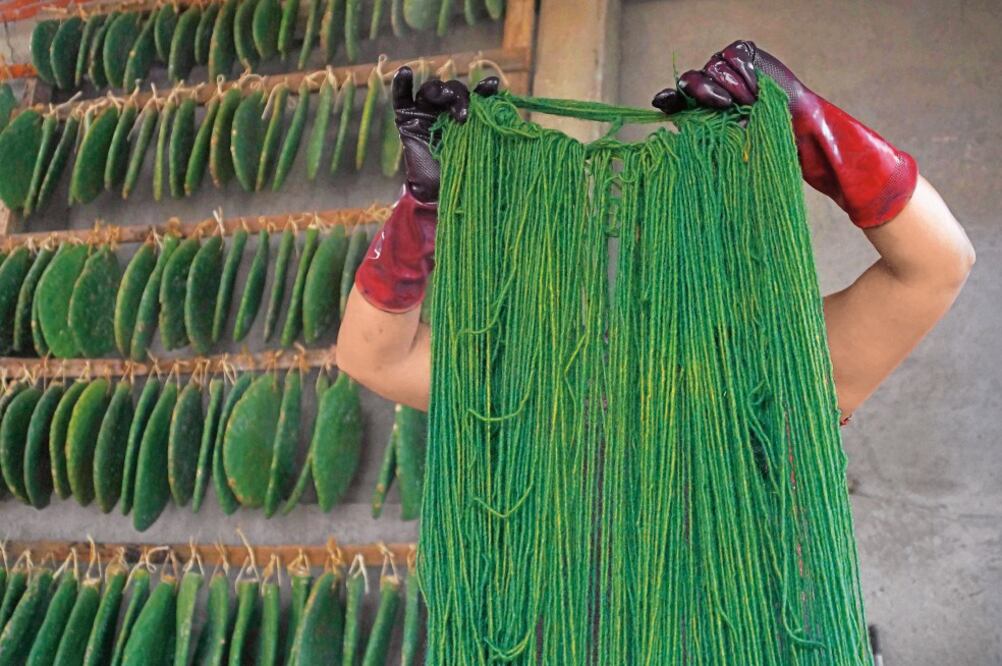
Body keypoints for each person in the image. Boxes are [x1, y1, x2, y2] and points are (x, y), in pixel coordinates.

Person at [336, 41, 975, 423]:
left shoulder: (780, 369)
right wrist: (424, 207)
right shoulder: (543, 386)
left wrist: (809, 121)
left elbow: (940, 262)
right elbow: (371, 359)